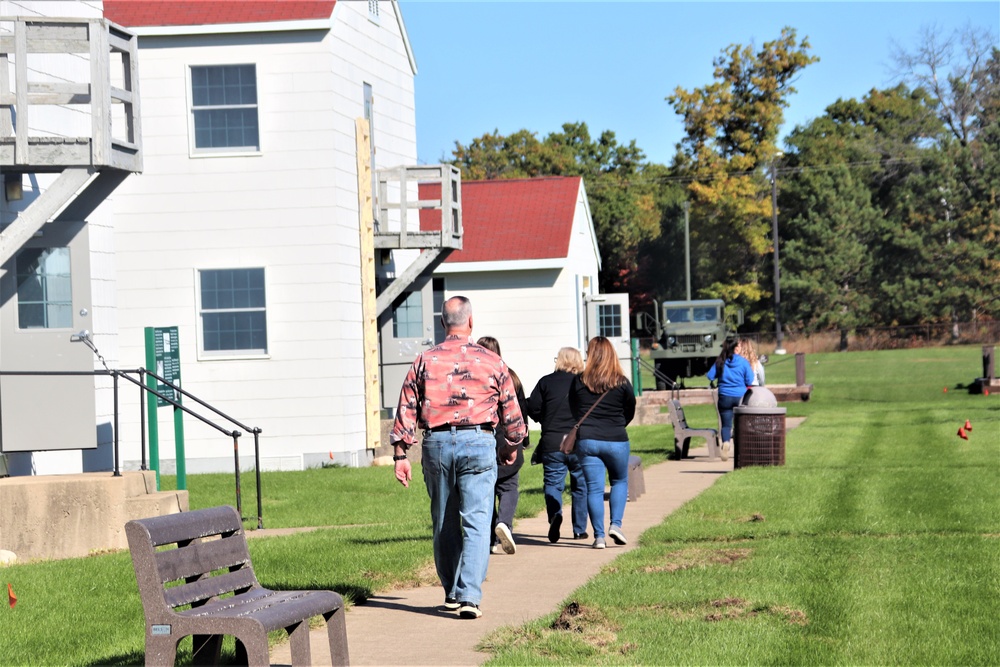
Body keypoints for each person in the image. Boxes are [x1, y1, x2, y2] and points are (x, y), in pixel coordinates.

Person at [390, 296, 526, 620]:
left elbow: (407, 404)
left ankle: (451, 590)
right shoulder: (493, 361)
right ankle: (469, 596)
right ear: (470, 322)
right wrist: (510, 445)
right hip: (479, 441)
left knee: (444, 521)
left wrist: (400, 453)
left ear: (442, 323)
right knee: (478, 521)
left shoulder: (425, 359)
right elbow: (512, 412)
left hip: (436, 442)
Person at [570, 336, 636, 550]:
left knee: (594, 489)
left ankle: (599, 537)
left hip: (587, 440)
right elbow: (630, 410)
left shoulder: (579, 381)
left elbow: (574, 409)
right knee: (619, 481)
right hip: (616, 439)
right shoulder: (622, 382)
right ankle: (615, 524)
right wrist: (618, 424)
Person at [526, 347, 590, 543]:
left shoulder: (546, 382)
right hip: (579, 441)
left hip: (553, 442)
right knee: (580, 486)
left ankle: (555, 515)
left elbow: (532, 407)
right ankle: (579, 530)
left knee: (553, 484)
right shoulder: (585, 383)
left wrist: (543, 419)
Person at [475, 336, 527, 556]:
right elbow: (520, 410)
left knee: (485, 492)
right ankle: (504, 522)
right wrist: (522, 440)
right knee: (508, 487)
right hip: (507, 439)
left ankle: (489, 539)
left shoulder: (473, 379)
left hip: (482, 439)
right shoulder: (510, 377)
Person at [706, 337, 755, 460]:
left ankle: (726, 442)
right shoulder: (743, 362)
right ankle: (739, 449)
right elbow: (749, 379)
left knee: (726, 425)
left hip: (724, 396)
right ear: (735, 348)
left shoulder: (720, 360)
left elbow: (710, 376)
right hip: (740, 396)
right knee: (740, 424)